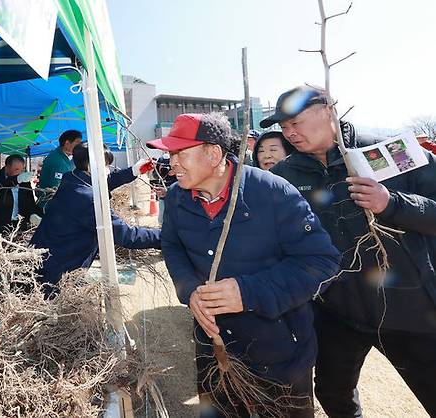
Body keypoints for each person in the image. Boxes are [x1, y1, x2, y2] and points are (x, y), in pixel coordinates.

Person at [146, 112, 340, 418]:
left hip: (279, 351)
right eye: (171, 155)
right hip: (214, 349)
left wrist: (248, 292)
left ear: (213, 154)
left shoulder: (274, 192)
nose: (172, 164)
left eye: (180, 153)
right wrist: (190, 290)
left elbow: (322, 262)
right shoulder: (177, 199)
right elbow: (172, 246)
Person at [265, 86, 436, 417]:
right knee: (333, 393)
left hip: (409, 308)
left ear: (328, 109)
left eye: (296, 122)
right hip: (337, 310)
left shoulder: (391, 151)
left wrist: (392, 203)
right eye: (284, 128)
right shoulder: (285, 176)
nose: (290, 133)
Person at [30, 144, 161, 293]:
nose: (108, 170)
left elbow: (104, 183)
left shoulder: (72, 179)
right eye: (105, 165)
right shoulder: (88, 199)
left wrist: (133, 171)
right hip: (59, 267)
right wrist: (164, 236)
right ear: (90, 166)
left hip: (48, 255)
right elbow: (126, 235)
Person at [0, 154, 43, 236]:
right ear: (7, 168)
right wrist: (17, 179)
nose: (20, 173)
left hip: (19, 224)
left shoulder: (24, 182)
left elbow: (30, 202)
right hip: (0, 226)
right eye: (16, 169)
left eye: (22, 169)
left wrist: (32, 215)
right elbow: (3, 186)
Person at [36, 129, 83, 210]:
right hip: (50, 207)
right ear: (67, 143)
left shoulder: (62, 157)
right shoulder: (58, 161)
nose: (80, 146)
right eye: (77, 143)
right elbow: (56, 188)